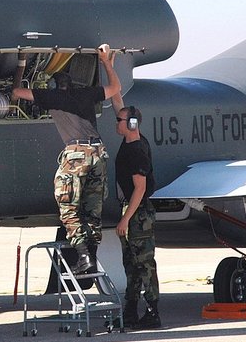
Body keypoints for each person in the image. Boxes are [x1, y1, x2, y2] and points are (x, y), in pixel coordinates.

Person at [12, 45, 121, 273]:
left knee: (69, 208)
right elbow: (115, 88)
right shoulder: (87, 94)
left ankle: (83, 257)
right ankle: (90, 258)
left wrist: (21, 64)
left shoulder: (52, 97)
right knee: (93, 211)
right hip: (99, 154)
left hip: (77, 155)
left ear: (55, 86)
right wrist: (106, 63)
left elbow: (16, 93)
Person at [111, 100, 161, 329]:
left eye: (119, 120)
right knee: (130, 265)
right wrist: (109, 67)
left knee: (144, 265)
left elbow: (140, 188)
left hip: (138, 214)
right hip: (132, 211)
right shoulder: (129, 140)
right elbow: (118, 101)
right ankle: (130, 311)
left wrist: (125, 218)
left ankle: (153, 313)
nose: (116, 123)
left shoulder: (137, 151)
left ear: (131, 124)